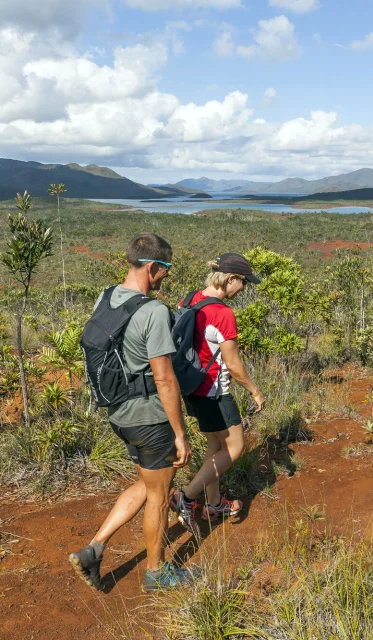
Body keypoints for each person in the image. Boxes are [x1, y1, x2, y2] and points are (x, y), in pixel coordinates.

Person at [69, 233, 195, 593]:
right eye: (165, 271)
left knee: (146, 483)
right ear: (153, 266)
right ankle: (157, 573)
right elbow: (164, 378)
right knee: (159, 494)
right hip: (150, 418)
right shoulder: (153, 311)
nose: (165, 279)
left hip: (119, 413)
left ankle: (94, 549)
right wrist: (179, 432)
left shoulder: (106, 297)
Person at [171, 253, 265, 532]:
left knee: (215, 446)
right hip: (214, 390)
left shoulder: (190, 299)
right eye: (243, 282)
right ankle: (186, 498)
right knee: (235, 448)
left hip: (191, 388)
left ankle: (214, 504)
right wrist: (255, 391)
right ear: (231, 279)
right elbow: (233, 364)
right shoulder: (223, 313)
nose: (243, 289)